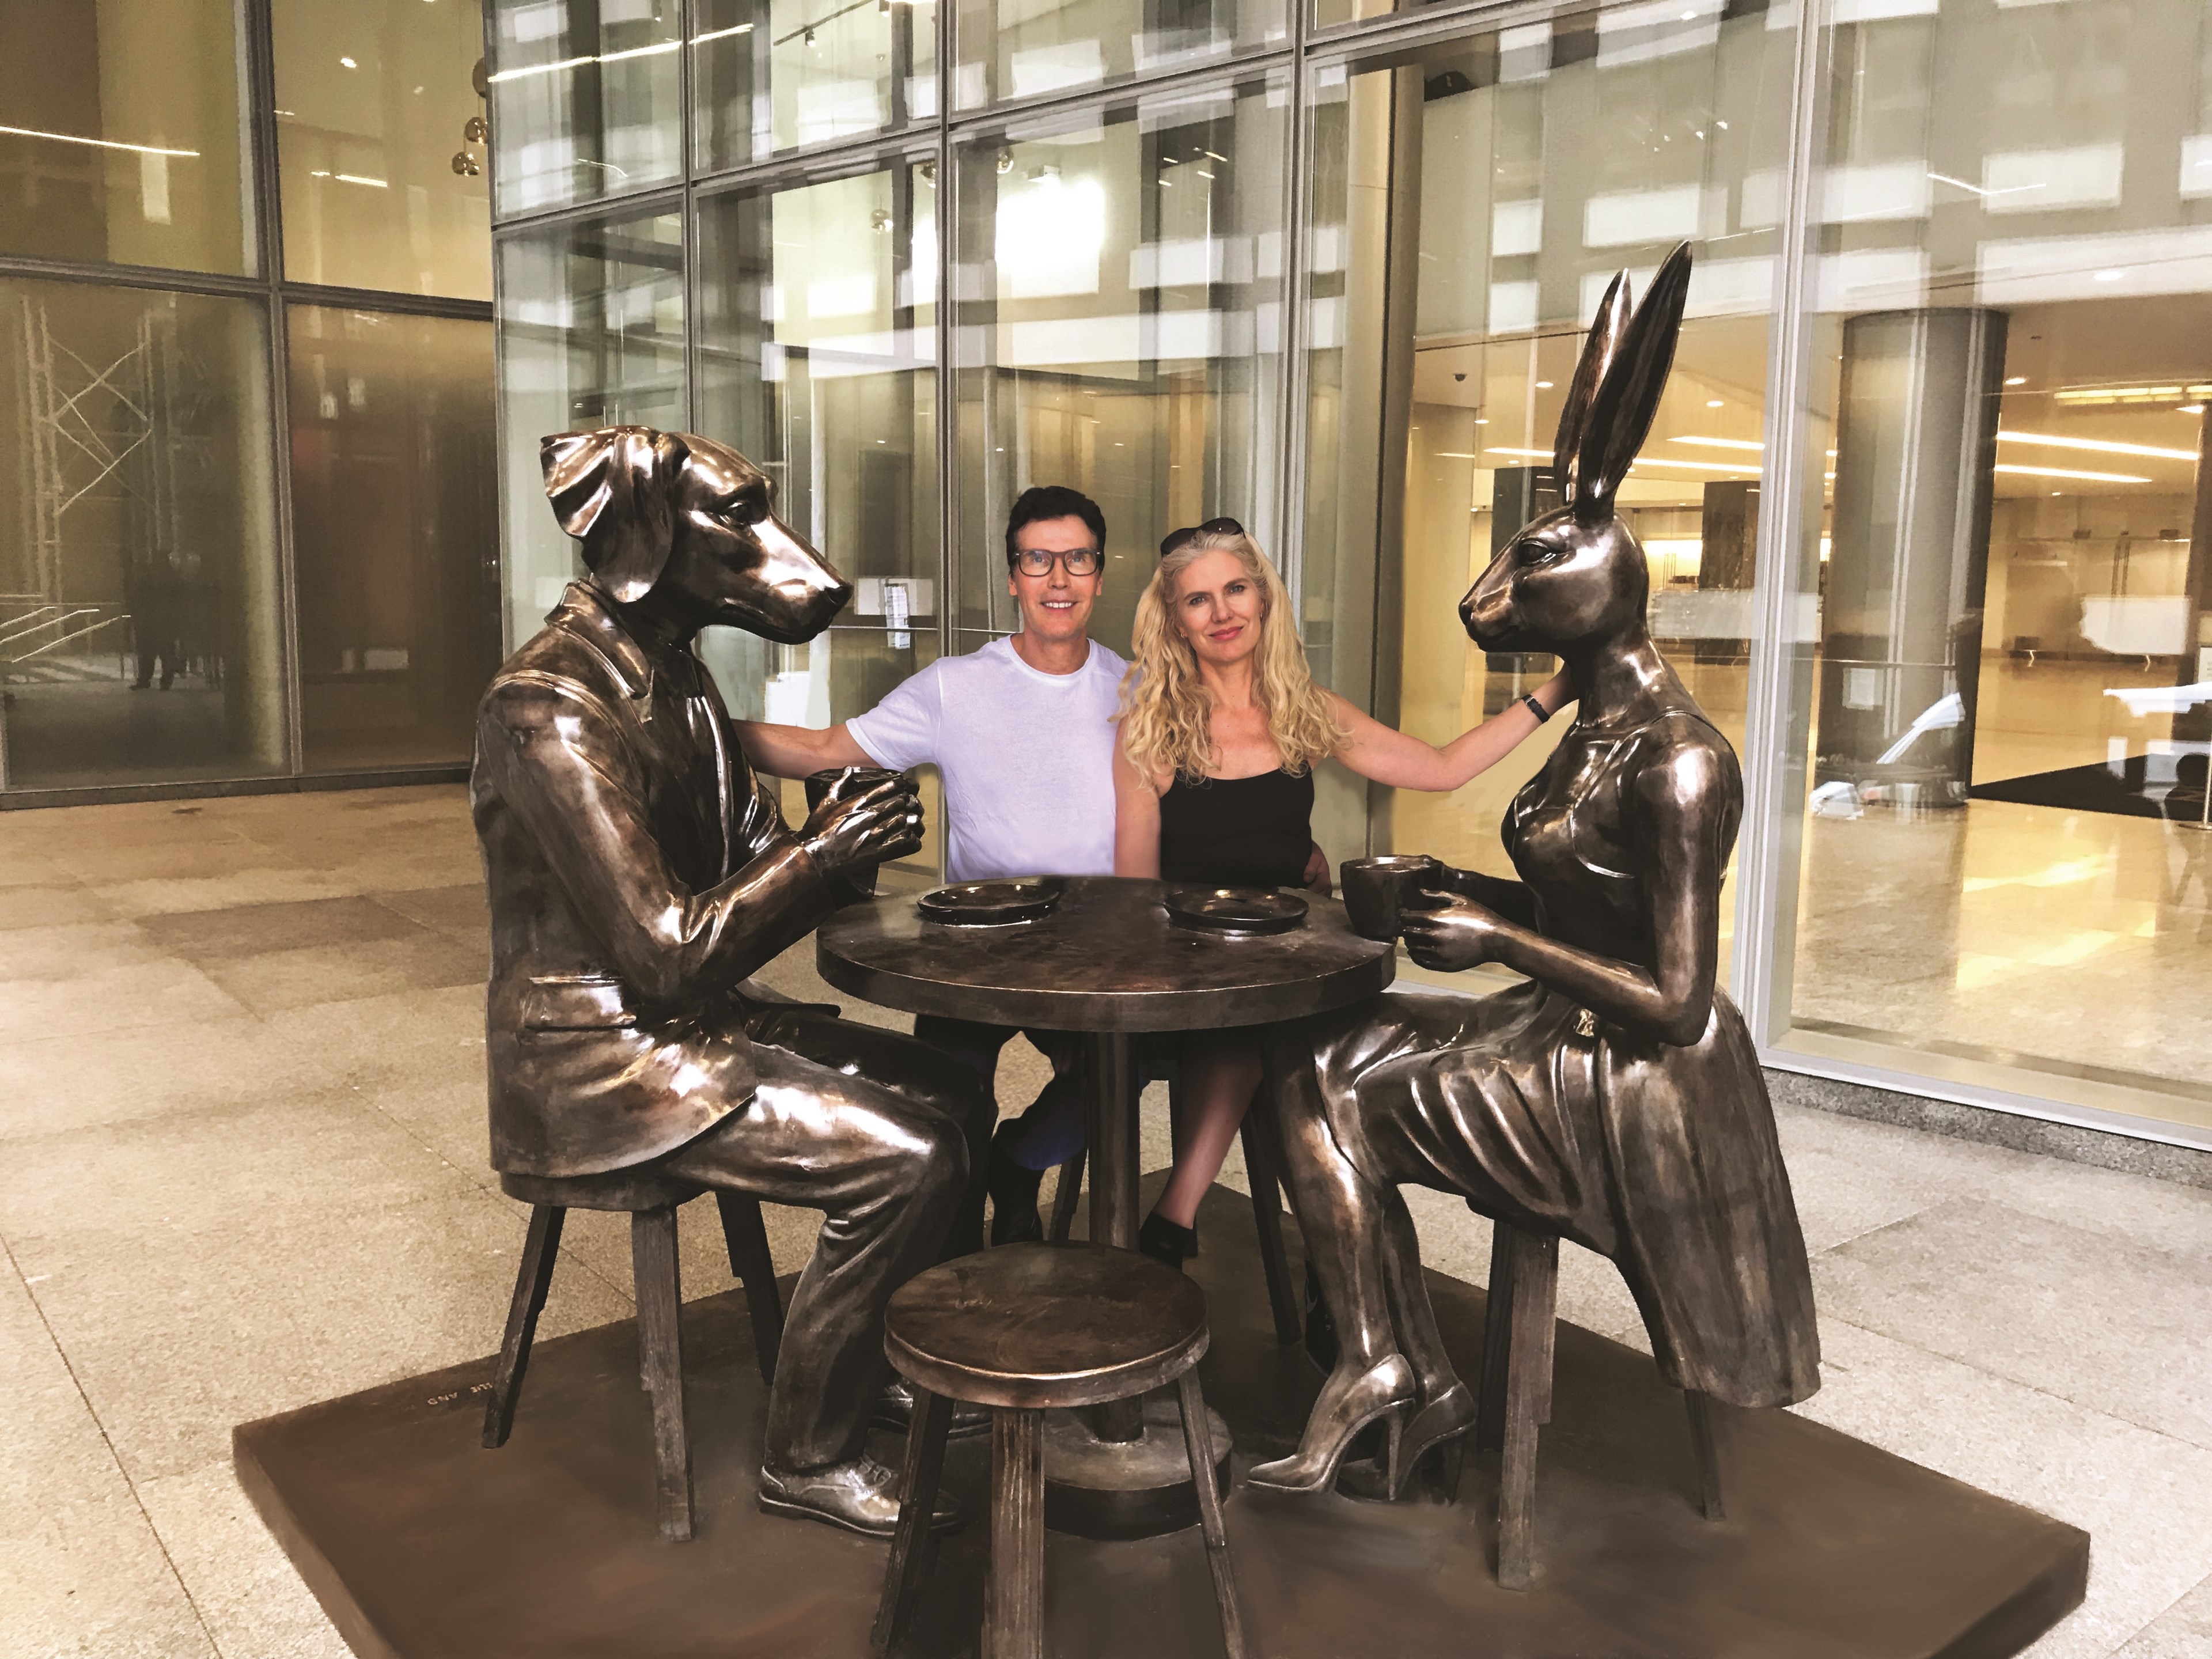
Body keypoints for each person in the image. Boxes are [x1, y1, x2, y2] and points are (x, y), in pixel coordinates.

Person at [474, 425, 991, 1537]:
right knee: (910, 1161)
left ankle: (872, 1364)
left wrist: (844, 841)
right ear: (642, 535)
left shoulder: (682, 681)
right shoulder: (551, 708)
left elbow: (762, 871)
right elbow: (664, 951)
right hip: (599, 1061)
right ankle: (807, 1452)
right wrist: (820, 860)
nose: (791, 555)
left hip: (695, 1022)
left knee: (953, 1086)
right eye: (741, 519)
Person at [1112, 521, 1571, 1268]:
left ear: (1262, 598)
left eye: (1235, 589)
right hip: (1193, 967)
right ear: (1174, 621)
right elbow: (1132, 894)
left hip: (1294, 958)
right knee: (1259, 1034)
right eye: (1198, 600)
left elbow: (1442, 767)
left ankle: (1191, 1230)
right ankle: (1308, 1264)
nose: (1222, 612)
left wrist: (1556, 692)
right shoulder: (1151, 731)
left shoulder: (1303, 710)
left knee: (1310, 1051)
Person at [737, 486, 1128, 1244]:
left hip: (1094, 950)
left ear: (1100, 577)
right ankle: (953, 1253)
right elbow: (822, 749)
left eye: (1076, 560)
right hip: (973, 948)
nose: (1058, 579)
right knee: (944, 1098)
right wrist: (700, 722)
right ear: (1013, 577)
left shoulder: (1136, 689)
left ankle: (1018, 1160)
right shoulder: (957, 687)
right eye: (1038, 560)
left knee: (1121, 1075)